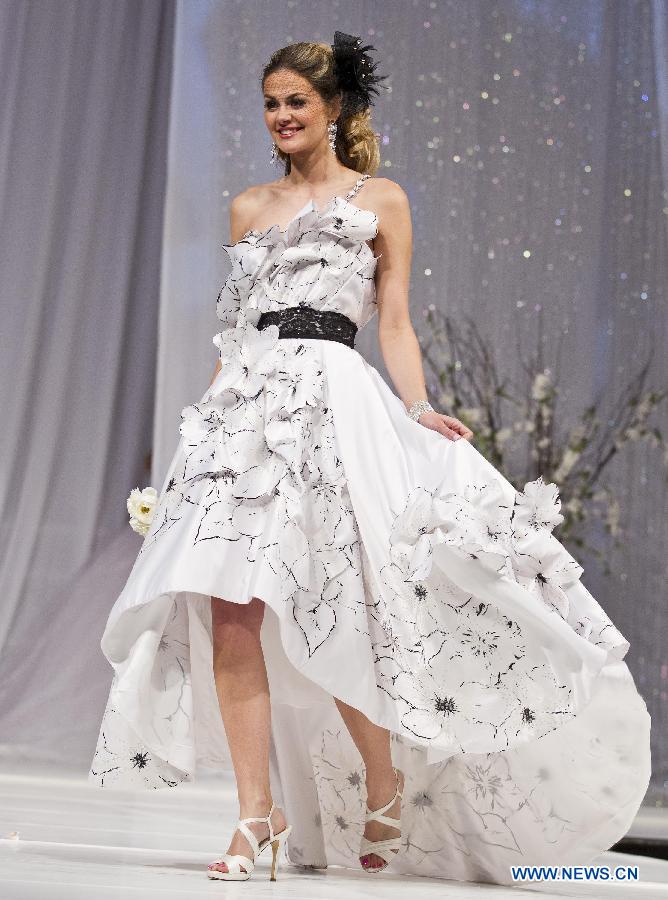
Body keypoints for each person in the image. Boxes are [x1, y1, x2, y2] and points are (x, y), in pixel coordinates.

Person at [89, 31, 651, 886]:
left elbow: (393, 320)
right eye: (271, 103)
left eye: (296, 102)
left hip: (333, 406)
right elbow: (234, 333)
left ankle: (384, 786)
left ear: (336, 108)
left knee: (339, 603)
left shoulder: (379, 199)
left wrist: (420, 409)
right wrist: (198, 432)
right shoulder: (247, 207)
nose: (281, 116)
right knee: (226, 607)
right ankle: (256, 817)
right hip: (247, 413)